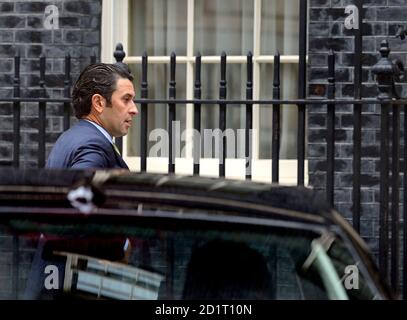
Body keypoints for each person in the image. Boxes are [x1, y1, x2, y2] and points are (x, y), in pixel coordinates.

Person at [46, 63, 138, 170]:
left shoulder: (70, 137)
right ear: (98, 103)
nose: (134, 110)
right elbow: (81, 185)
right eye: (126, 99)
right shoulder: (93, 146)